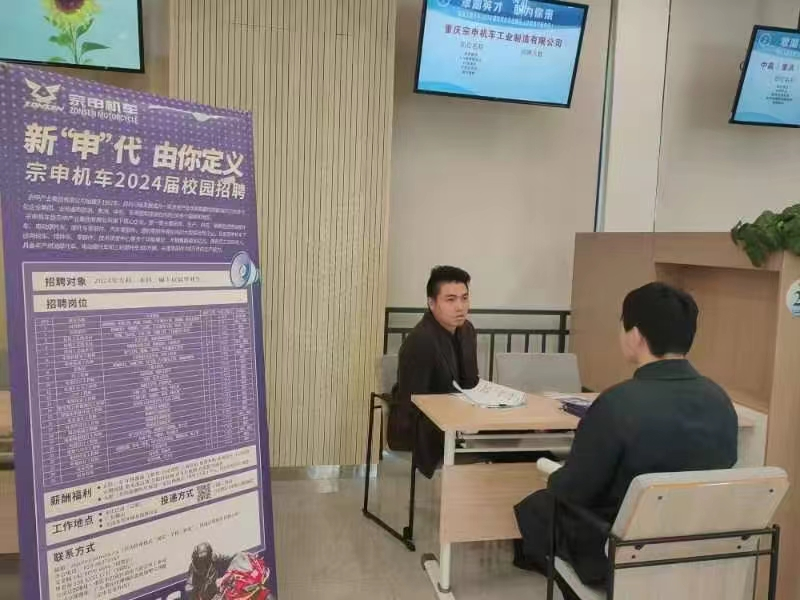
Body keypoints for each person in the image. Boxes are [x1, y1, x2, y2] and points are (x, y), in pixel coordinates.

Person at [514, 282, 738, 596]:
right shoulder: (720, 400)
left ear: (635, 335)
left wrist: (554, 476)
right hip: (698, 550)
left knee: (538, 508)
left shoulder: (616, 403)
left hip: (620, 551)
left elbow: (576, 490)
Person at [387, 265, 479, 478]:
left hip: (458, 417)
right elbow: (415, 403)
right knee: (504, 450)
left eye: (464, 298)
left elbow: (470, 382)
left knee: (515, 439)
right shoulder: (421, 340)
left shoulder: (467, 330)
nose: (460, 307)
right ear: (431, 303)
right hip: (425, 426)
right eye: (450, 300)